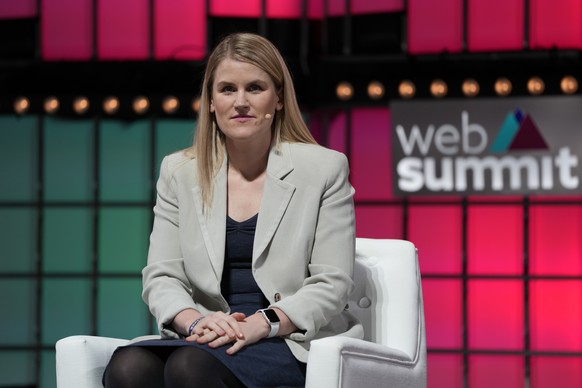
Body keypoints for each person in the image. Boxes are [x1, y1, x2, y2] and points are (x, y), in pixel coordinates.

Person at [103, 32, 362, 388]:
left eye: (255, 88)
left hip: (287, 337)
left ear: (280, 98)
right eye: (227, 89)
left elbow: (332, 282)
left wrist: (262, 323)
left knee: (189, 368)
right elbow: (162, 276)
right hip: (208, 332)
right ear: (211, 101)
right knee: (129, 368)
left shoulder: (324, 169)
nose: (240, 102)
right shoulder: (179, 172)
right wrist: (195, 321)